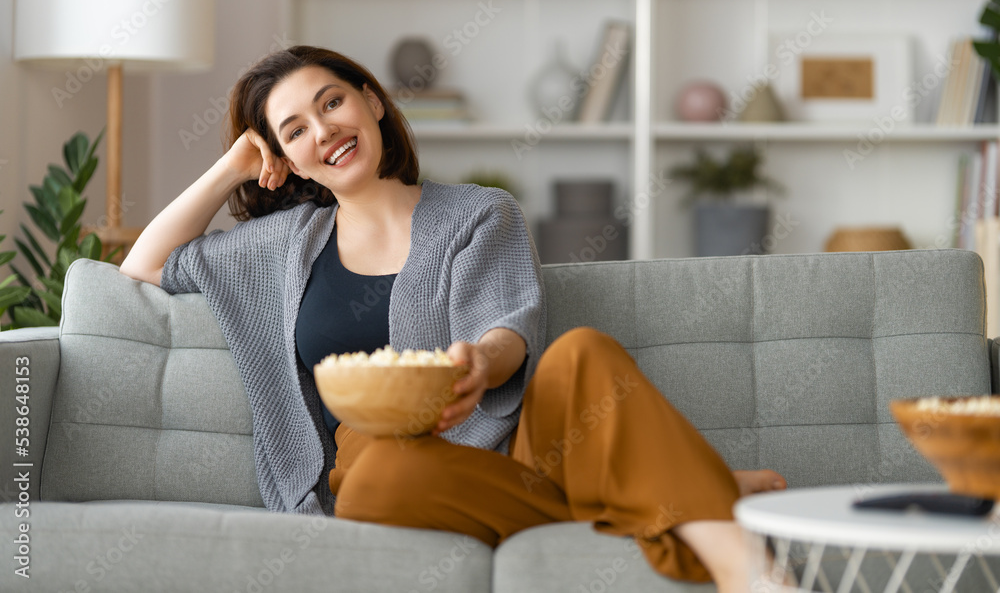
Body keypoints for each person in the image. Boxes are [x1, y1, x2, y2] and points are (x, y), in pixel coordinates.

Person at [120, 45, 786, 592]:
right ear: (286, 159)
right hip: (383, 468)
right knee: (379, 474)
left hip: (516, 455)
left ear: (372, 100)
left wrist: (480, 361)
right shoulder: (277, 247)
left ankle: (747, 570)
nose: (323, 130)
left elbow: (508, 326)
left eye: (332, 102)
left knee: (584, 350)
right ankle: (681, 485)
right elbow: (143, 267)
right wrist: (231, 165)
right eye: (294, 130)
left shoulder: (478, 213)